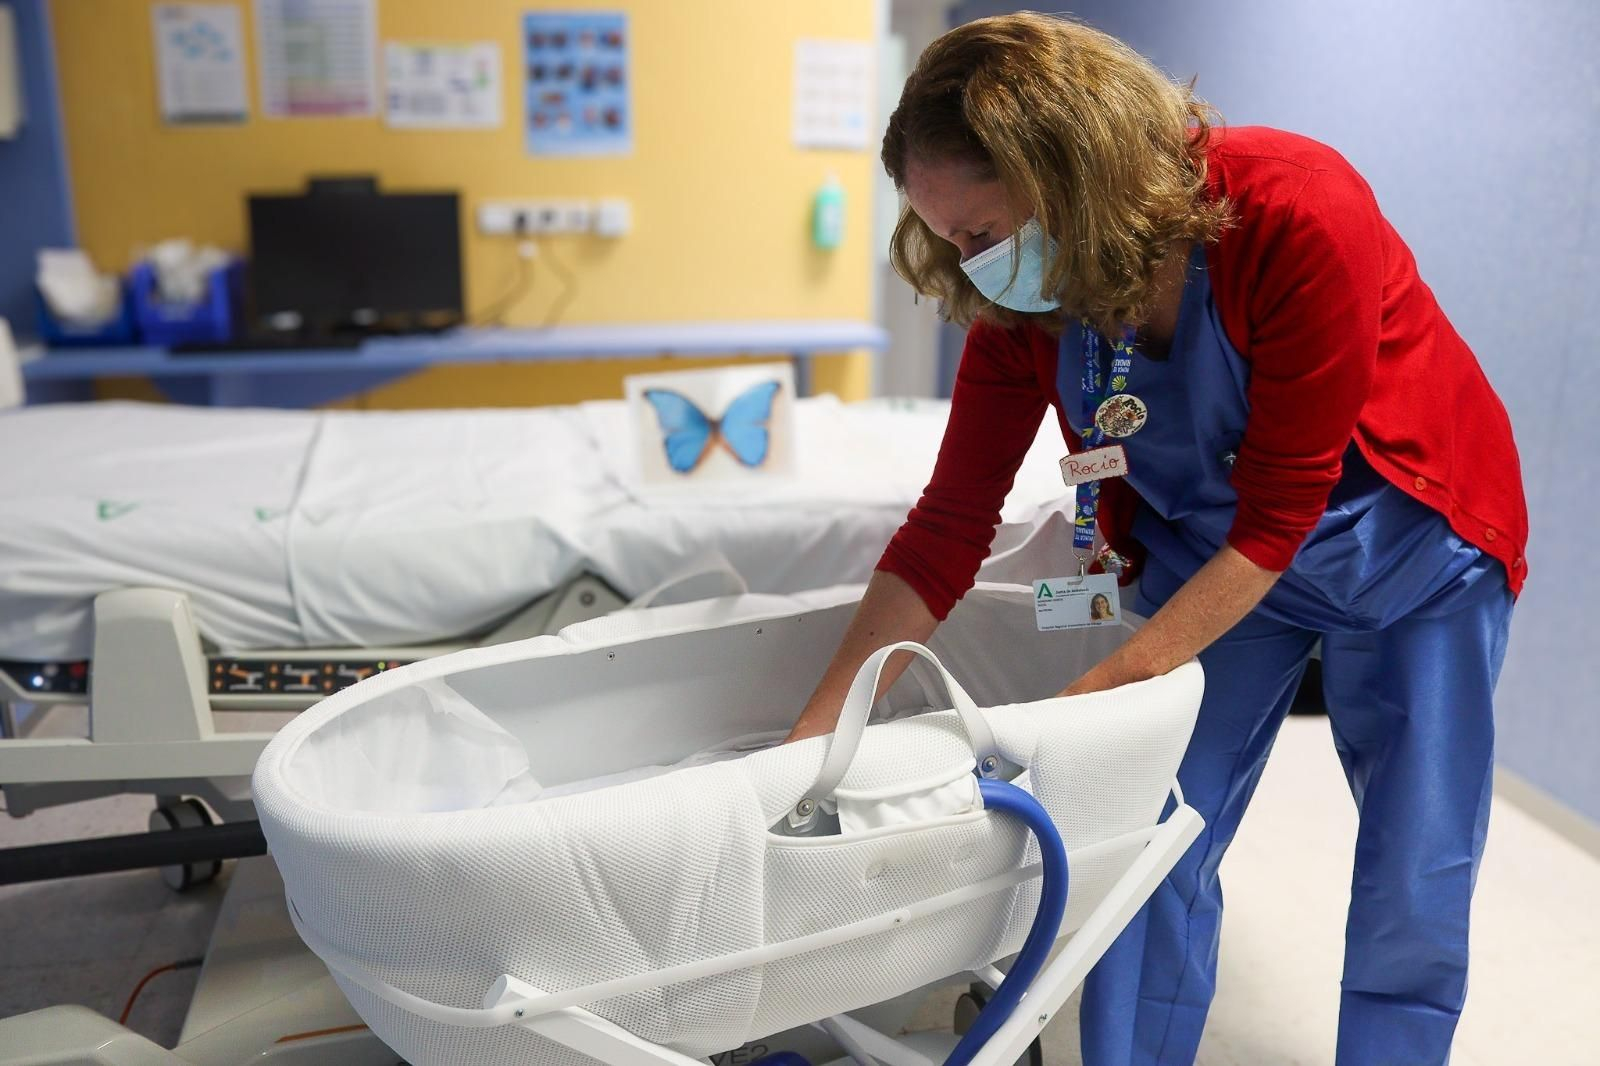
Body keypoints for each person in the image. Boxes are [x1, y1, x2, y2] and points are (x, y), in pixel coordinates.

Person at [783, 13, 1527, 1066]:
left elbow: (1280, 514)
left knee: (1415, 860)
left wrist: (1084, 705)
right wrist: (815, 741)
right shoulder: (1029, 305)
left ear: (1069, 166)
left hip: (1409, 547)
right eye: (947, 239)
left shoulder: (1295, 208)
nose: (972, 265)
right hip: (1209, 549)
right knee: (1147, 829)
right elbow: (946, 526)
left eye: (983, 231)